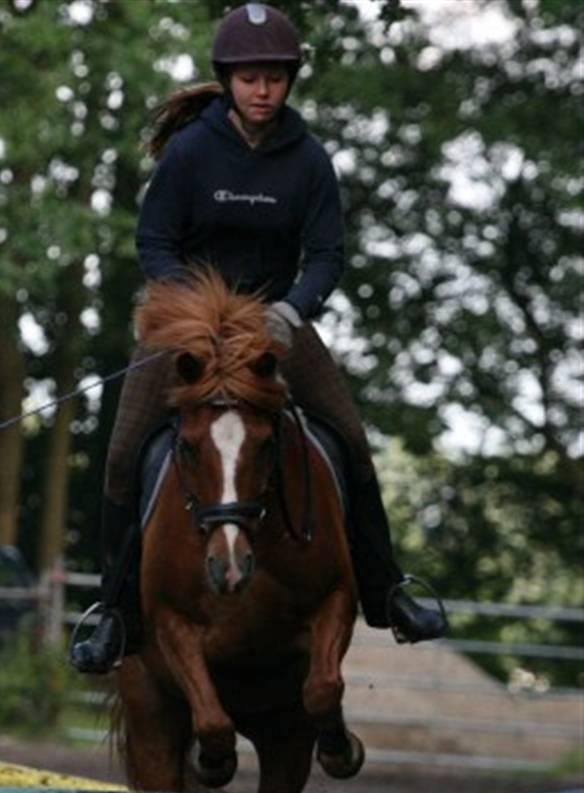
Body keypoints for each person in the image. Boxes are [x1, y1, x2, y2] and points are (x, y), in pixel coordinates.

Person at [71, 2, 447, 674]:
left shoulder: (308, 160)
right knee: (124, 452)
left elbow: (327, 255)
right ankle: (114, 614)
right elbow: (153, 240)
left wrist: (292, 310)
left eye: (274, 76)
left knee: (351, 443)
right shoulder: (190, 151)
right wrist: (185, 305)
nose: (262, 89)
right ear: (229, 80)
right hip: (188, 324)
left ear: (289, 82)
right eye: (249, 78)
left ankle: (389, 592)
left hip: (272, 327)